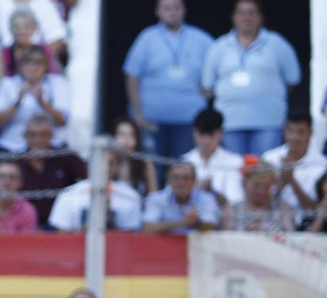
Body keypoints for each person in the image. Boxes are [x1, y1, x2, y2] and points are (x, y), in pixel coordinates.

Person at [201, 0, 300, 157]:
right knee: (234, 168)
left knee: (265, 168)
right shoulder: (219, 47)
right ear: (233, 17)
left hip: (268, 122)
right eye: (241, 12)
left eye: (251, 13)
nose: (246, 17)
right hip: (230, 122)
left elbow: (292, 80)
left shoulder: (277, 44)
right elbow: (208, 86)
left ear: (261, 17)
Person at [124, 0, 217, 164]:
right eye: (166, 8)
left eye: (176, 8)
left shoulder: (201, 39)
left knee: (184, 166)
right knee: (152, 166)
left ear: (184, 10)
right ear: (157, 12)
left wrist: (210, 90)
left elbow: (221, 66)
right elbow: (131, 75)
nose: (172, 12)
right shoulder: (146, 38)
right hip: (151, 120)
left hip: (189, 120)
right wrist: (137, 114)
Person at [0, 45, 69, 152]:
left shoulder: (57, 82)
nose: (33, 67)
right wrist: (18, 102)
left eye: (38, 63)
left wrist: (42, 103)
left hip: (51, 145)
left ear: (46, 66)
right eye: (28, 62)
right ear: (20, 65)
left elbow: (63, 121)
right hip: (12, 145)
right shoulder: (7, 83)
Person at [47, 152, 145, 233]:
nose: (104, 167)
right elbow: (62, 236)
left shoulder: (130, 196)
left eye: (109, 163)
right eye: (99, 162)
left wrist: (108, 218)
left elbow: (129, 238)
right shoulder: (68, 194)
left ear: (116, 166)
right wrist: (83, 231)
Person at [16, 113, 84, 228]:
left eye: (43, 135)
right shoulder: (16, 162)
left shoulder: (65, 157)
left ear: (52, 136)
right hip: (25, 225)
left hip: (62, 226)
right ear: (25, 136)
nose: (38, 140)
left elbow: (87, 178)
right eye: (33, 135)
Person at [263, 112, 327, 215]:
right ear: (284, 132)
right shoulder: (269, 158)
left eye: (300, 132)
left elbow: (316, 208)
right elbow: (260, 203)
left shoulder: (323, 165)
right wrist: (282, 182)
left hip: (306, 220)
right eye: (290, 131)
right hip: (273, 219)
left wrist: (292, 181)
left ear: (310, 133)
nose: (294, 137)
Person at [183, 106, 245, 207]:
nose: (206, 141)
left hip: (223, 214)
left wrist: (212, 191)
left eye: (211, 135)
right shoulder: (184, 161)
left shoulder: (235, 162)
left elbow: (235, 201)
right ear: (194, 133)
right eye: (202, 134)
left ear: (220, 134)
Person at [141, 160, 220, 234]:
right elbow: (148, 227)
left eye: (186, 178)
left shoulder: (206, 198)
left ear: (194, 181)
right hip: (163, 244)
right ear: (168, 180)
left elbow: (211, 225)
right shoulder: (156, 198)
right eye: (176, 178)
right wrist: (183, 222)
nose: (181, 183)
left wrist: (196, 222)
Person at [0, 0, 65, 66]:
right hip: (6, 64)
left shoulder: (44, 4)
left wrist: (34, 62)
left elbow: (56, 40)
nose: (22, 31)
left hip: (39, 66)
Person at [221, 160, 294, 234]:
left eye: (267, 186)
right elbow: (226, 237)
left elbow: (291, 236)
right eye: (256, 185)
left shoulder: (282, 209)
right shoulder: (232, 210)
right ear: (245, 182)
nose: (261, 191)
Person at [112, 118, 158, 200]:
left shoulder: (145, 163)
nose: (126, 140)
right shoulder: (107, 162)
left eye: (131, 135)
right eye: (122, 134)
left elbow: (154, 195)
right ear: (113, 137)